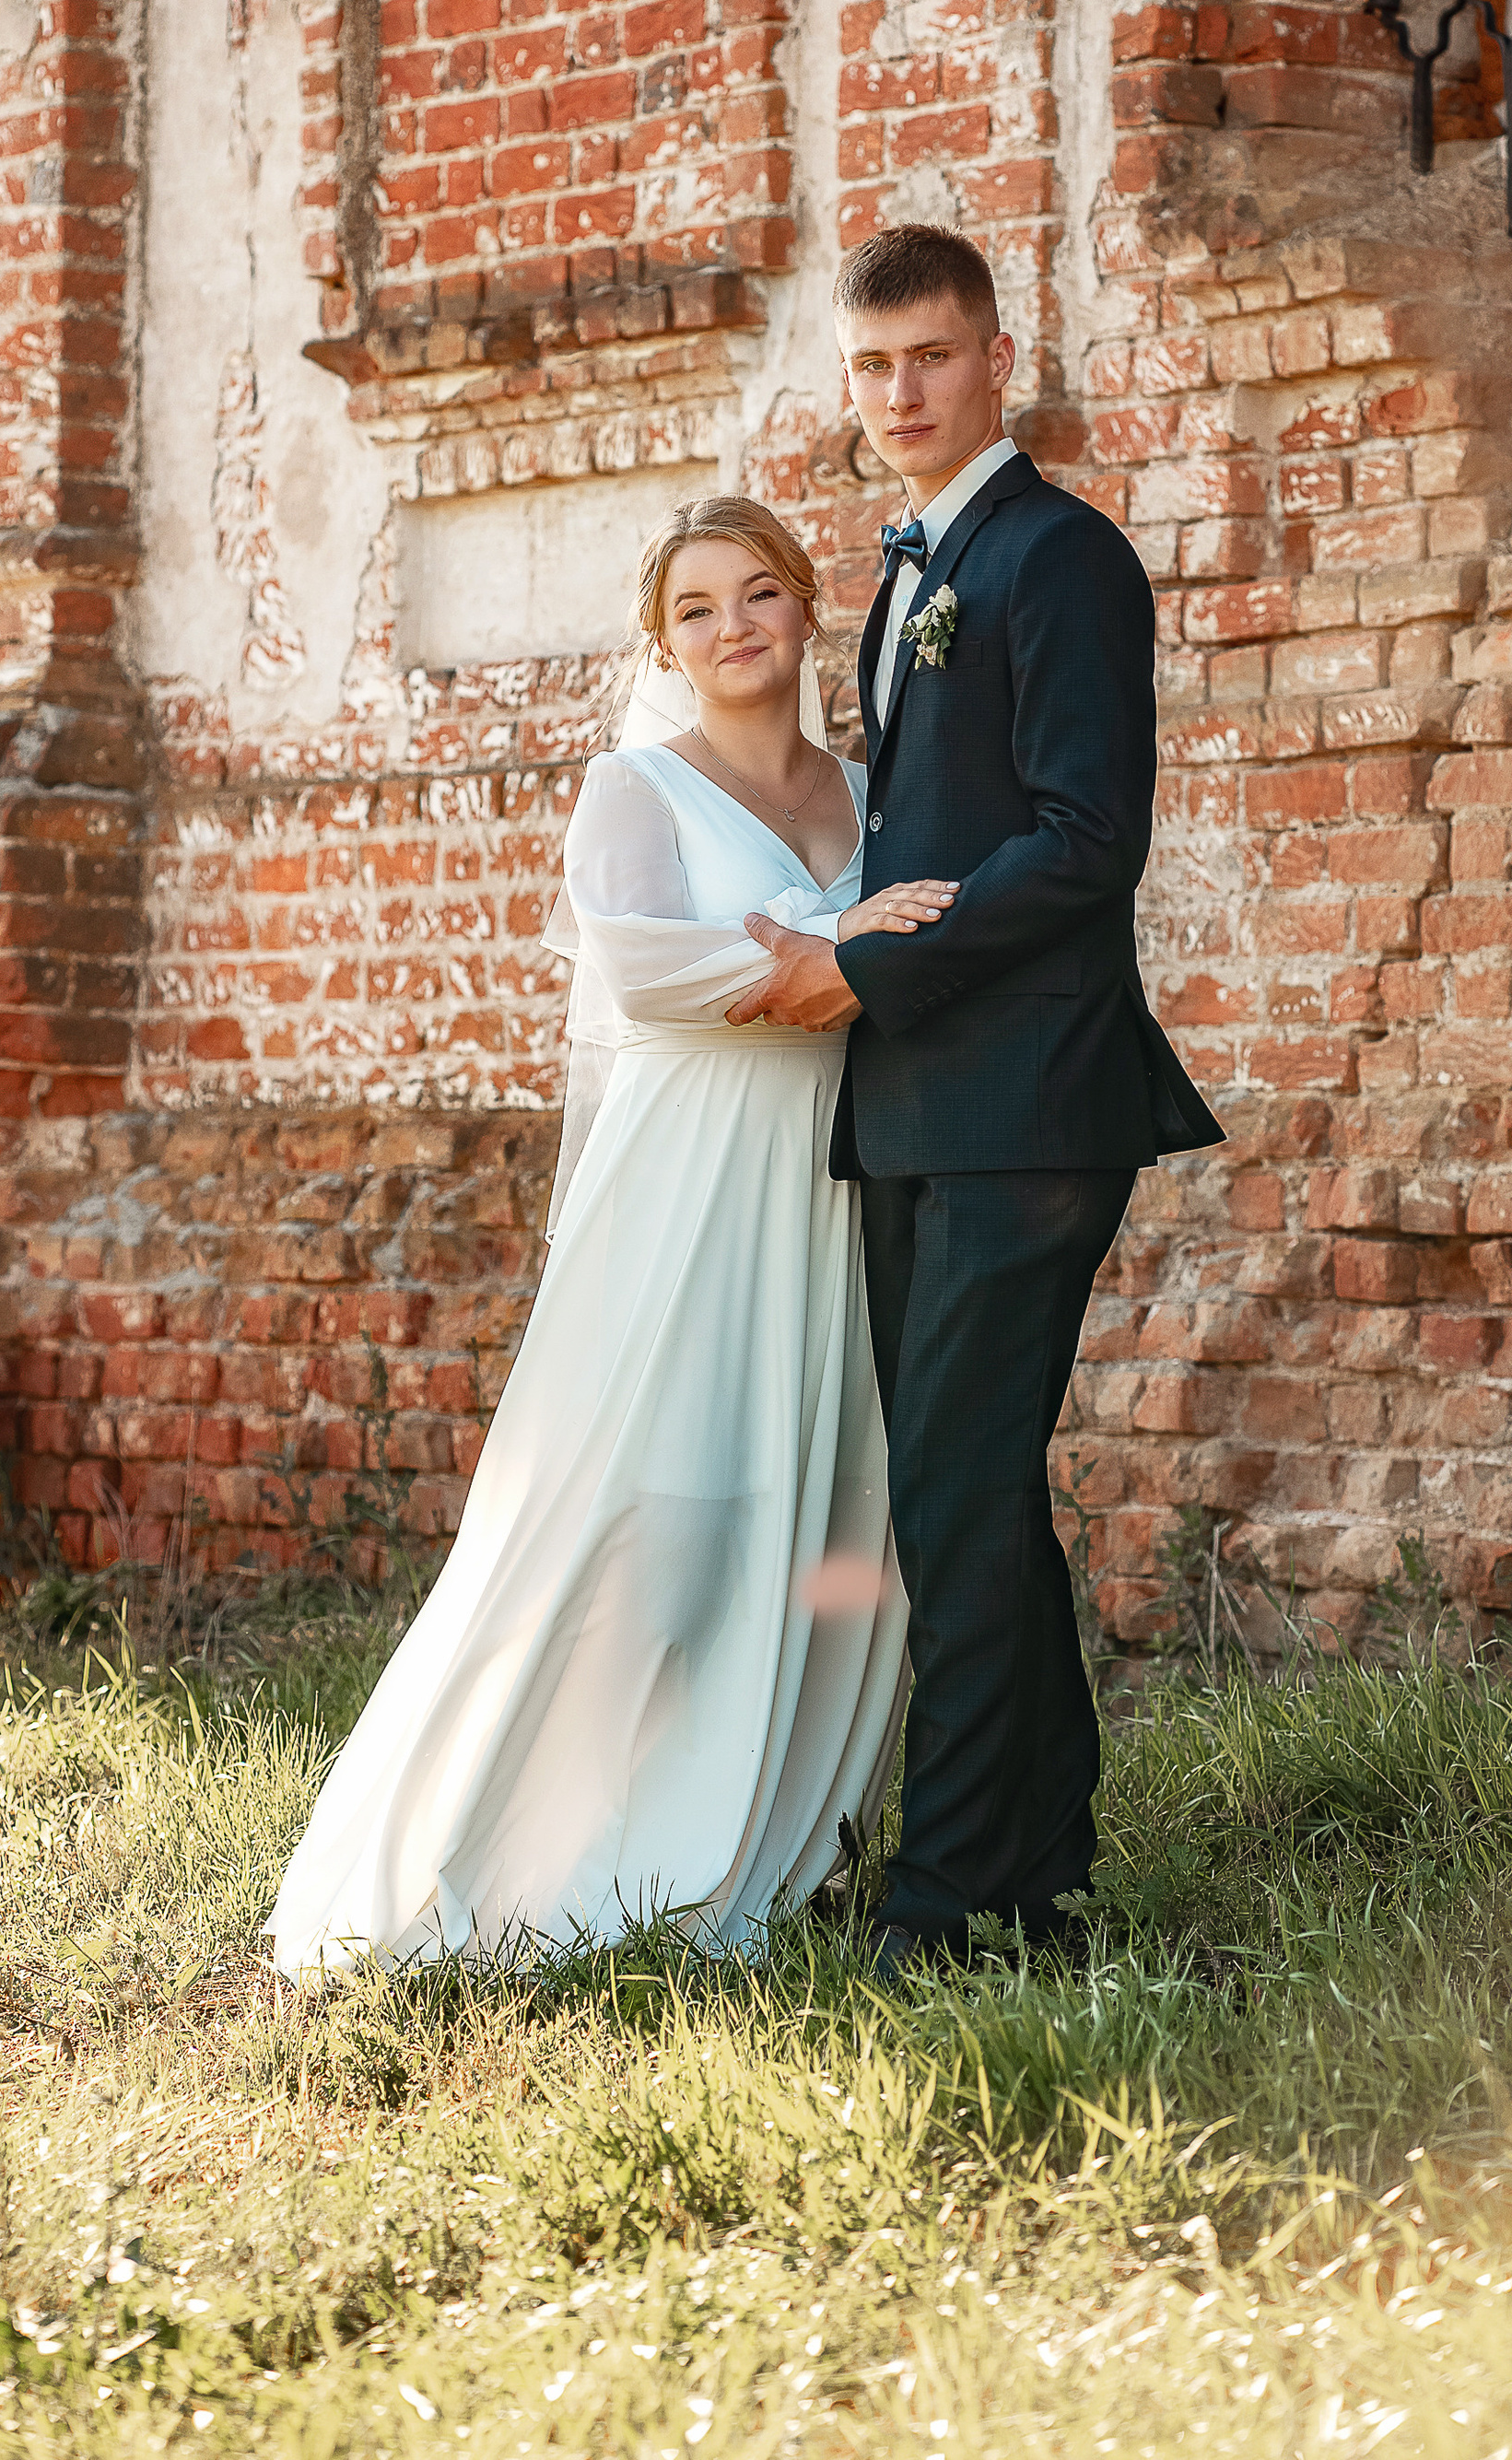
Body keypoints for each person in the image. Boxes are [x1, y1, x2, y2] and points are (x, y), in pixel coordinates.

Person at [264, 495, 955, 1974]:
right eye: (697, 608)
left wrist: (841, 955)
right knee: (649, 1512)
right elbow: (642, 973)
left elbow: (926, 941)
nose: (733, 628)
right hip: (687, 1186)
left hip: (831, 1187)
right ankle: (521, 1852)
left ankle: (771, 1845)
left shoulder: (869, 790)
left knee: (826, 1511)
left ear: (805, 611)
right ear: (664, 642)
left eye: (759, 593)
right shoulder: (634, 788)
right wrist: (835, 949)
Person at [729, 225, 1223, 1972]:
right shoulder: (908, 565)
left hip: (1029, 1104)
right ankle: (1038, 1859)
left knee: (951, 1489)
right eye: (871, 367)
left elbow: (1090, 845)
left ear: (996, 357)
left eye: (930, 356)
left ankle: (943, 1911)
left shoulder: (1059, 558)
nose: (901, 393)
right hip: (921, 1106)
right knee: (974, 1492)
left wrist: (866, 970)